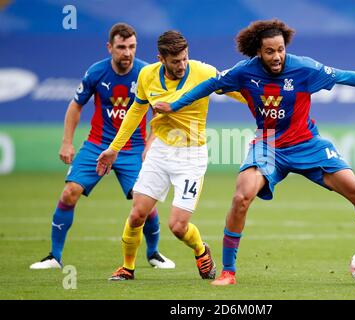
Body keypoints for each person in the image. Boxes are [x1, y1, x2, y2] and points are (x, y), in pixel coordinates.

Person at [153, 19, 355, 286]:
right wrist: (175, 105)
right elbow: (209, 85)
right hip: (268, 145)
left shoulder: (304, 68)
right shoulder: (244, 72)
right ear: (259, 51)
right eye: (270, 51)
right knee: (241, 197)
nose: (277, 56)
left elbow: (345, 76)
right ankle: (228, 272)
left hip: (307, 144)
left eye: (280, 49)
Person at [95, 30, 245, 281]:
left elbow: (236, 91)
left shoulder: (203, 72)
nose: (181, 65)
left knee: (177, 226)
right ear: (161, 58)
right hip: (160, 152)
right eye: (175, 61)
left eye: (184, 58)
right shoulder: (147, 75)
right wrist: (114, 148)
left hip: (191, 156)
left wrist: (263, 104)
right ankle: (127, 268)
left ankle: (200, 249)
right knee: (136, 215)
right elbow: (136, 111)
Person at [30, 23, 174, 270]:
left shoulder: (146, 73)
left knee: (144, 204)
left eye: (131, 47)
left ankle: (153, 253)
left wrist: (150, 144)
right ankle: (55, 256)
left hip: (132, 148)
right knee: (69, 192)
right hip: (97, 145)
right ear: (110, 47)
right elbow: (76, 105)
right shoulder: (96, 72)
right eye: (121, 47)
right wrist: (67, 142)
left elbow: (159, 114)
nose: (127, 52)